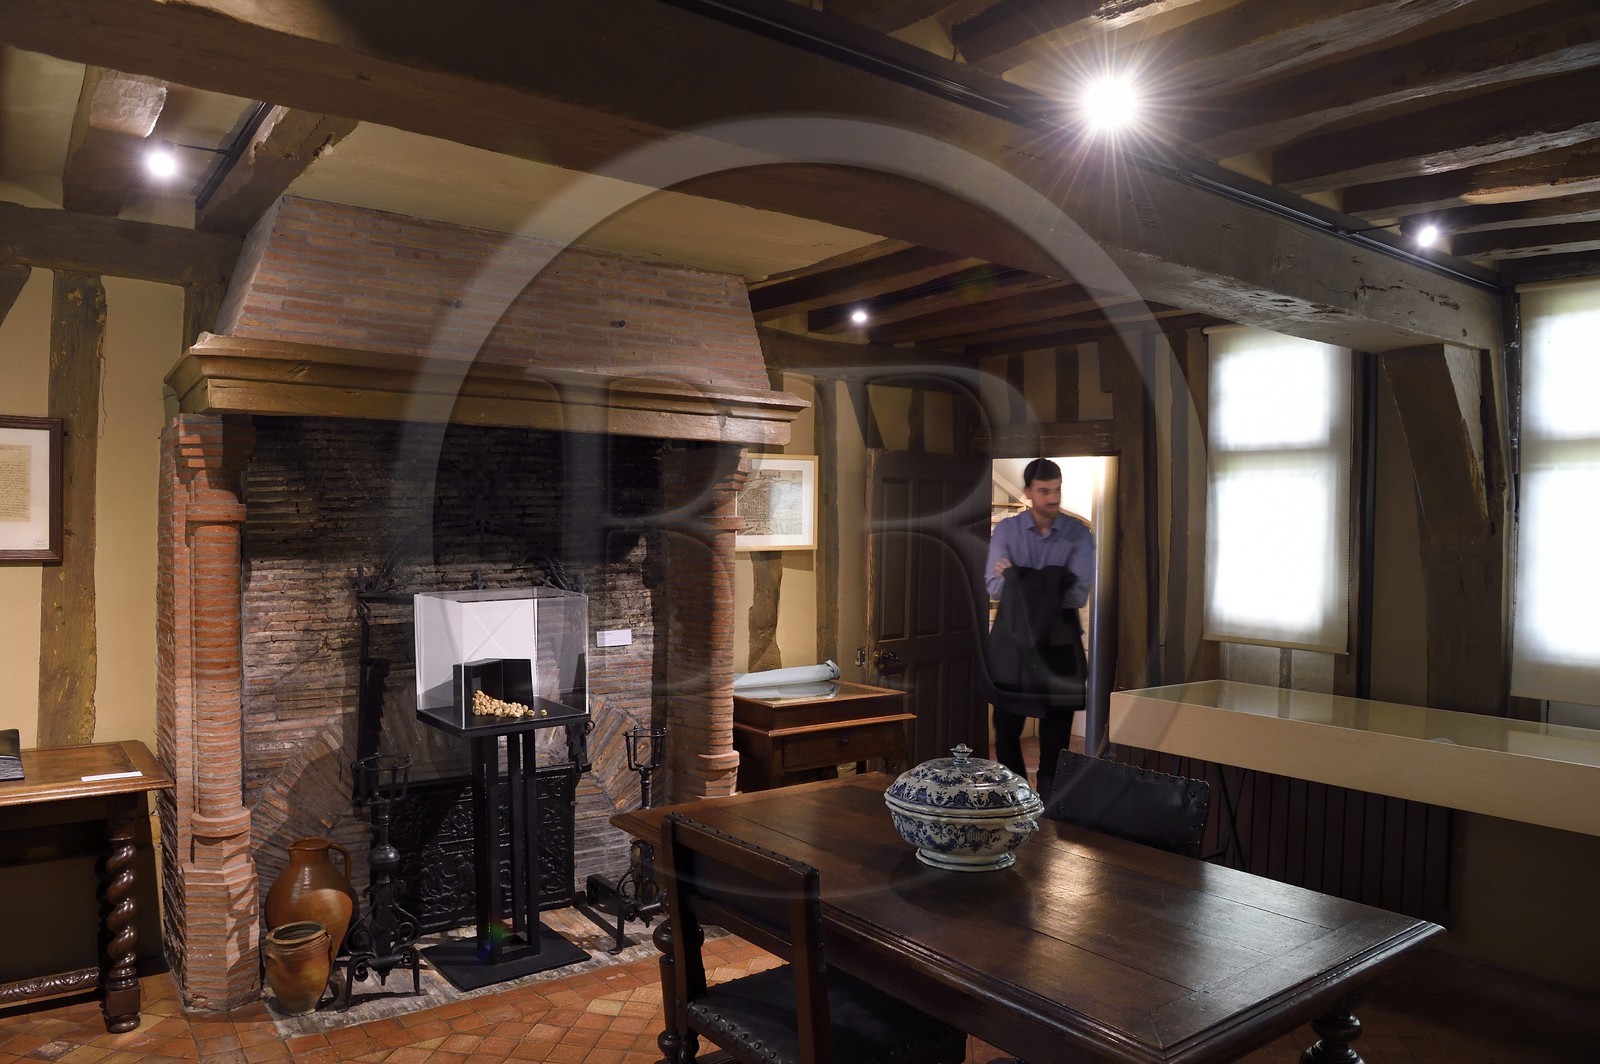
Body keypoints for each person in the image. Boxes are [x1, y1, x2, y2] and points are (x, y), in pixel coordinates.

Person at [984, 458, 1094, 801]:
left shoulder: (1079, 533)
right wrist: (1052, 580)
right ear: (1028, 492)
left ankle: (1048, 802)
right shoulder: (1006, 531)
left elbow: (1078, 594)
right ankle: (1017, 798)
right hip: (1013, 639)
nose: (1052, 497)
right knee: (1005, 729)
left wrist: (1019, 576)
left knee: (1057, 733)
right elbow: (993, 586)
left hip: (1059, 640)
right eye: (1044, 491)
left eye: (1057, 490)